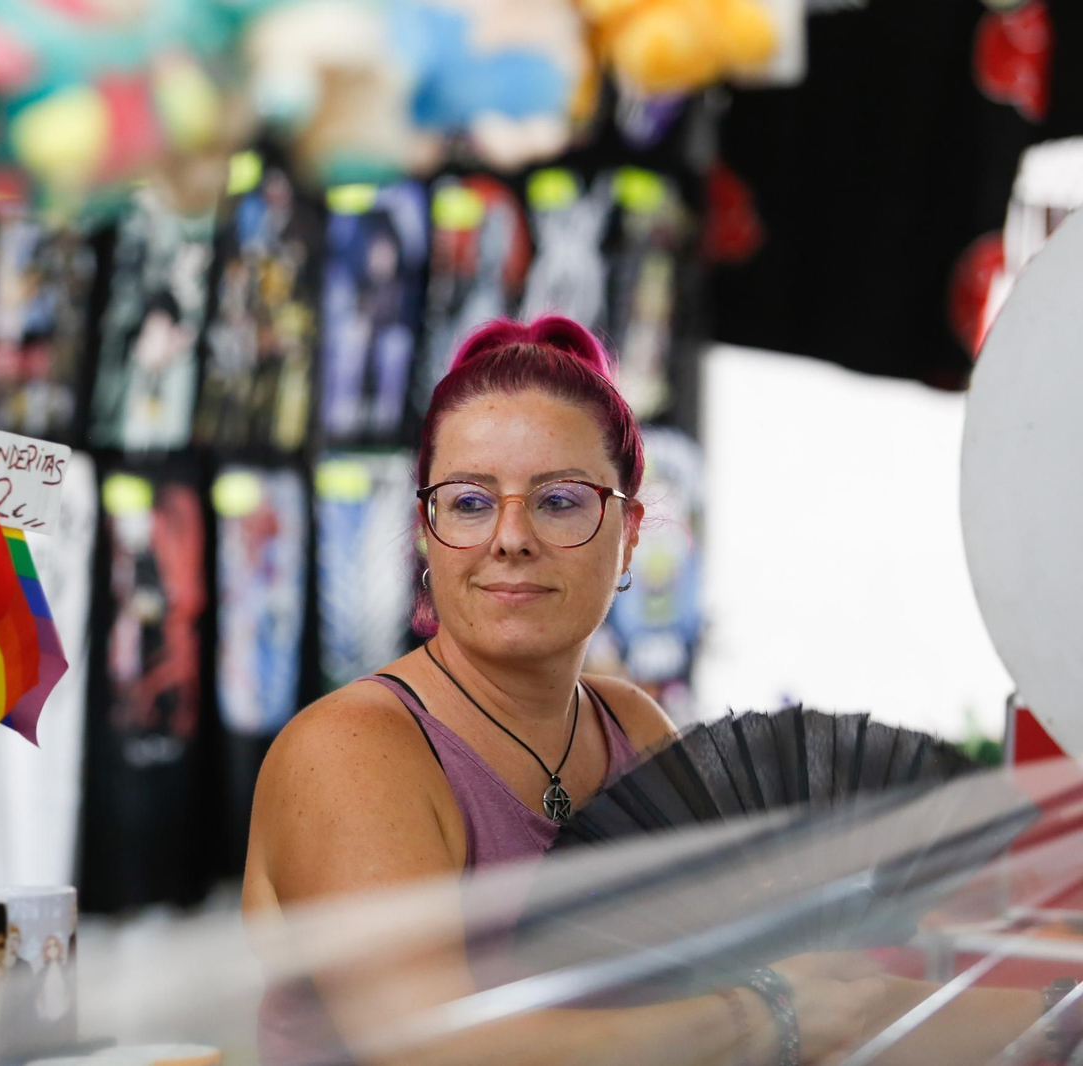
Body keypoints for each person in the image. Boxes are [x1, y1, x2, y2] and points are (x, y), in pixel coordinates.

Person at [243, 316, 1056, 1066]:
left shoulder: (630, 727)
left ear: (630, 534)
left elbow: (833, 998)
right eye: (468, 502)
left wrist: (1060, 1015)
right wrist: (768, 1016)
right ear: (426, 532)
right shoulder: (354, 752)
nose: (512, 537)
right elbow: (437, 1051)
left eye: (561, 501)